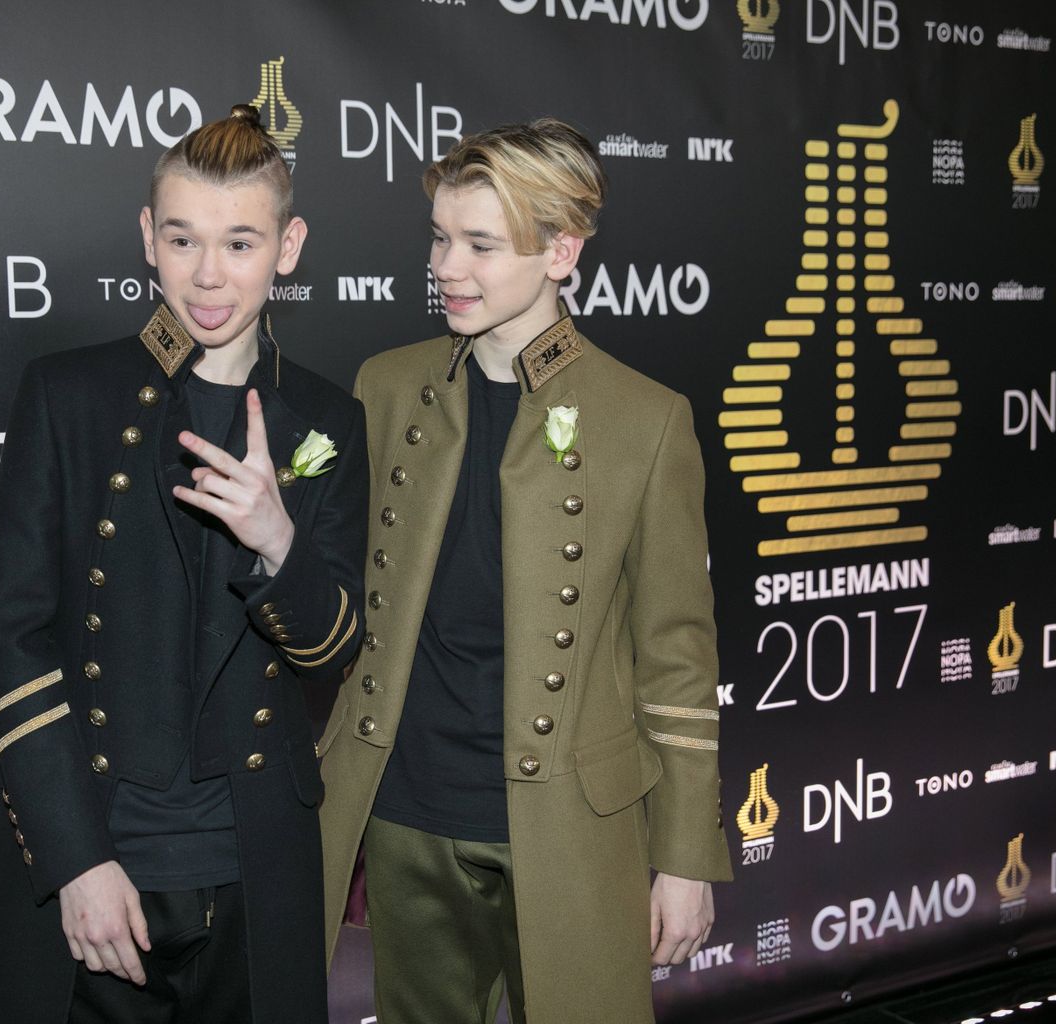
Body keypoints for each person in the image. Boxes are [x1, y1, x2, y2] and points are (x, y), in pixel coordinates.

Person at [0, 104, 366, 1024]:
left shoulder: (328, 419)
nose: (209, 275)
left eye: (241, 243)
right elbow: (18, 642)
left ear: (289, 247)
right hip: (99, 866)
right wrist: (77, 862)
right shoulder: (68, 395)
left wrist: (278, 541)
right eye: (183, 240)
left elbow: (333, 653)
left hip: (257, 874)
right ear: (147, 238)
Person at [317, 118, 732, 1024]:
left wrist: (686, 855)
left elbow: (677, 655)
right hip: (404, 810)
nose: (445, 266)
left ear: (561, 252)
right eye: (439, 237)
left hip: (571, 824)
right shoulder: (386, 386)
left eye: (480, 244)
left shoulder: (645, 419)